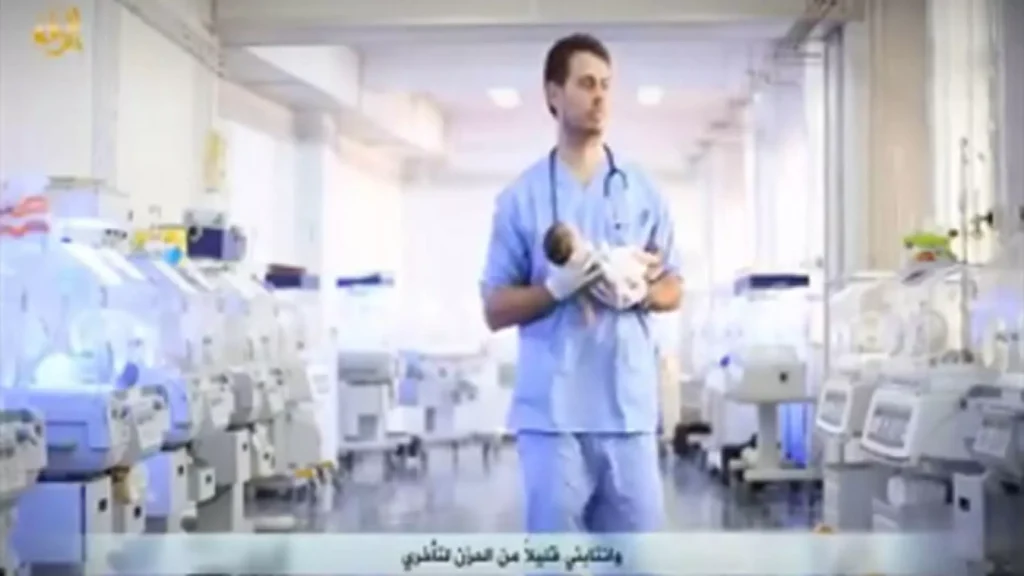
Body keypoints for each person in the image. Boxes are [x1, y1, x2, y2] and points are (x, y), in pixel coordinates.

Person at [479, 33, 684, 534]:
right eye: (586, 84)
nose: (599, 97)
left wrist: (642, 294)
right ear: (553, 94)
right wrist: (554, 289)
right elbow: (494, 307)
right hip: (554, 420)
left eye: (607, 86)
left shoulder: (641, 191)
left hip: (627, 414)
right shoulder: (521, 199)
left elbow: (675, 285)